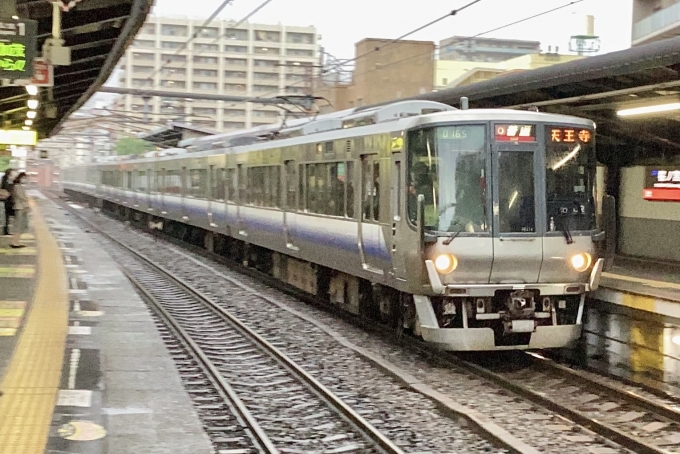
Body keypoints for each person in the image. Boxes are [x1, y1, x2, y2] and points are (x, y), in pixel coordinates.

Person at [10, 172, 29, 249]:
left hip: (21, 207)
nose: (25, 179)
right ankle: (15, 242)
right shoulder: (18, 187)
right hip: (20, 208)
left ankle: (16, 242)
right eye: (24, 178)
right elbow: (22, 197)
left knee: (21, 225)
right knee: (18, 225)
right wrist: (28, 199)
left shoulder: (18, 186)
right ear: (20, 178)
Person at [1, 168, 13, 236]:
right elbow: (6, 188)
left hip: (7, 200)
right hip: (6, 200)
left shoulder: (6, 179)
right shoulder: (6, 179)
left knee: (7, 216)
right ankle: (5, 230)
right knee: (6, 216)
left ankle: (6, 230)